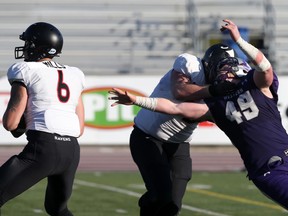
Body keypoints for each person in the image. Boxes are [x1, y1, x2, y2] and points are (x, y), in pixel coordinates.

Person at [109, 19, 288, 210]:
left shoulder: (253, 87)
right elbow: (178, 101)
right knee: (161, 195)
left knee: (172, 205)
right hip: (148, 136)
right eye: (223, 69)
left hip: (181, 141)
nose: (227, 74)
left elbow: (265, 68)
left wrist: (239, 41)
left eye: (232, 69)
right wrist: (137, 101)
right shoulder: (212, 96)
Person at [1, 22, 85, 216]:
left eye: (29, 43)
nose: (26, 48)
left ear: (38, 47)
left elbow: (10, 123)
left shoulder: (25, 70)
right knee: (58, 209)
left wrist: (22, 119)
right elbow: (80, 128)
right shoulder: (75, 74)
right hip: (71, 151)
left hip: (43, 148)